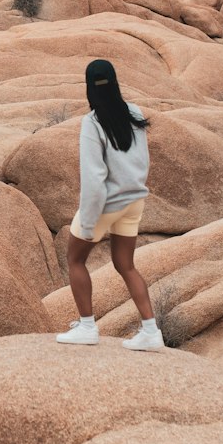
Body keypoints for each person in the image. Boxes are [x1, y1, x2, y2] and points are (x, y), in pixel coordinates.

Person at [56, 58, 164, 351]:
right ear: (115, 82)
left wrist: (89, 222)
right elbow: (142, 159)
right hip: (134, 200)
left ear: (89, 87)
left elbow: (94, 178)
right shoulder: (134, 113)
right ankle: (151, 332)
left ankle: (87, 327)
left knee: (75, 259)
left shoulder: (92, 123)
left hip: (107, 203)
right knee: (125, 264)